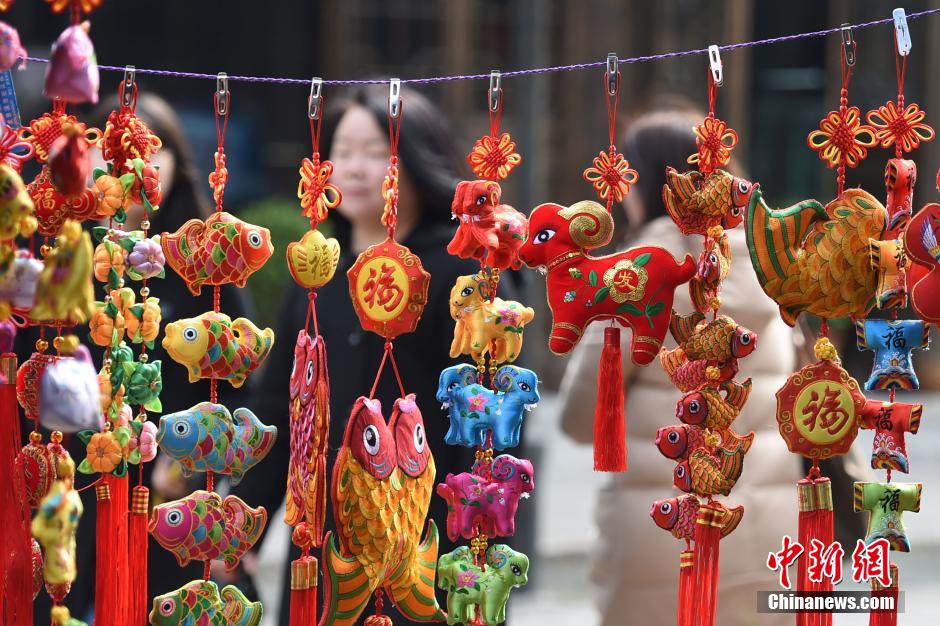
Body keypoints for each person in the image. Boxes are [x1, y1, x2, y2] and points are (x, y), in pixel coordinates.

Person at [232, 85, 499, 625]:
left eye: (376, 151)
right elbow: (282, 412)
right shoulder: (314, 273)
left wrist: (476, 542)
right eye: (341, 149)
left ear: (419, 160)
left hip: (426, 533)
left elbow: (483, 420)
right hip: (327, 537)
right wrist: (243, 523)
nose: (353, 167)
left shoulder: (460, 273)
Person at [558, 107, 809, 626]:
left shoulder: (634, 277)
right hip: (771, 529)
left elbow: (581, 419)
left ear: (649, 184)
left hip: (663, 537)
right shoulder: (773, 265)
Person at [22, 92, 254, 624]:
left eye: (153, 151)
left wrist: (195, 467)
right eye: (115, 154)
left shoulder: (207, 264)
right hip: (67, 487)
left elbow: (243, 387)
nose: (133, 169)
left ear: (177, 160)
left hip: (172, 499)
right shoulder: (62, 255)